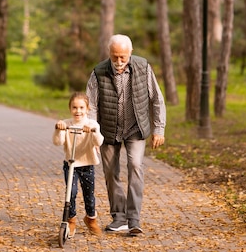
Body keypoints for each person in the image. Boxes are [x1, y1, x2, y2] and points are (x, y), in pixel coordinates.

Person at [86, 34, 166, 236]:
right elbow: (91, 106)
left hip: (135, 127)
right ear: (109, 54)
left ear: (130, 52)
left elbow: (156, 99)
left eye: (123, 57)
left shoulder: (143, 67)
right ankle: (119, 217)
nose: (119, 62)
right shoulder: (98, 72)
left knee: (136, 165)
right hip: (108, 129)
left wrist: (159, 129)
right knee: (111, 172)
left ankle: (134, 219)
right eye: (115, 58)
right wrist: (93, 134)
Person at [53, 91, 104, 238]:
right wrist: (58, 129)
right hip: (71, 164)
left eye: (81, 108)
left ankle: (91, 218)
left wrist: (92, 132)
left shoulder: (92, 124)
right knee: (72, 192)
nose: (78, 111)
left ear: (87, 109)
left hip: (87, 165)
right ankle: (71, 219)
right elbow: (58, 142)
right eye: (74, 108)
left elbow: (99, 142)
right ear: (70, 109)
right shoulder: (66, 124)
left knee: (89, 194)